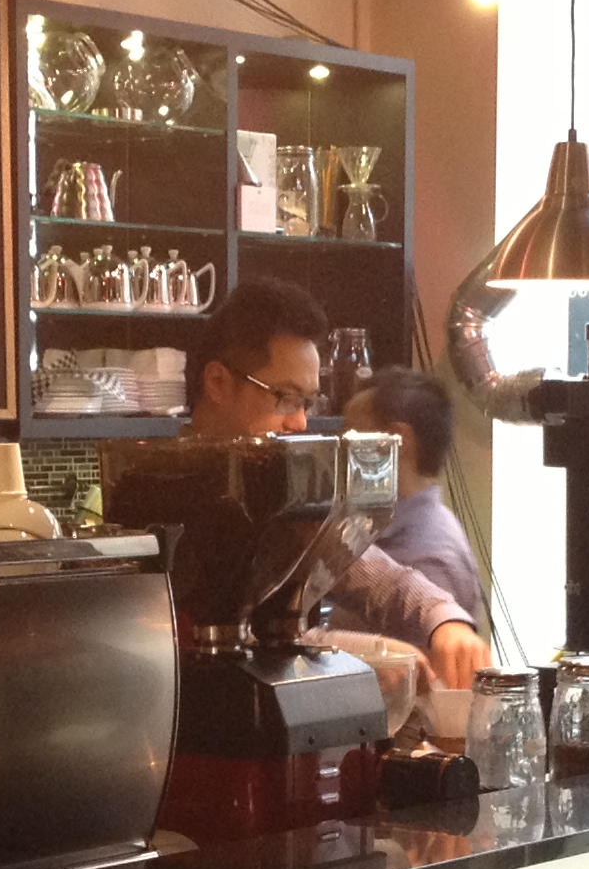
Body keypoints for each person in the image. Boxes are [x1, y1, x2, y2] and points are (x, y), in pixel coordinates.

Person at [185, 279, 491, 684]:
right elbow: (224, 644)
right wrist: (364, 654)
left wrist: (444, 620)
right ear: (218, 382)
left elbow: (374, 574)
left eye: (307, 402)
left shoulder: (273, 490)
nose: (300, 422)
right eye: (285, 397)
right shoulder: (158, 494)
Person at [337, 367, 482, 631]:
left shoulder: (429, 556)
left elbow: (417, 660)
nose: (340, 448)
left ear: (397, 438)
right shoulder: (379, 528)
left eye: (351, 434)